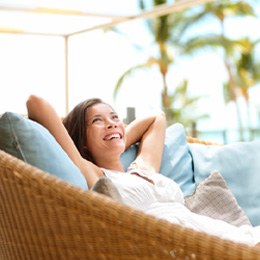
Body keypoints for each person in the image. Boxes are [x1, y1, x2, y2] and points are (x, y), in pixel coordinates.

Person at [26, 94, 260, 247]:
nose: (111, 122)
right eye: (97, 120)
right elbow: (35, 103)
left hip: (225, 234)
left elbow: (156, 119)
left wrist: (116, 139)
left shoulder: (142, 167)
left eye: (115, 117)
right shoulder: (93, 174)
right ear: (82, 140)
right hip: (185, 244)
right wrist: (101, 142)